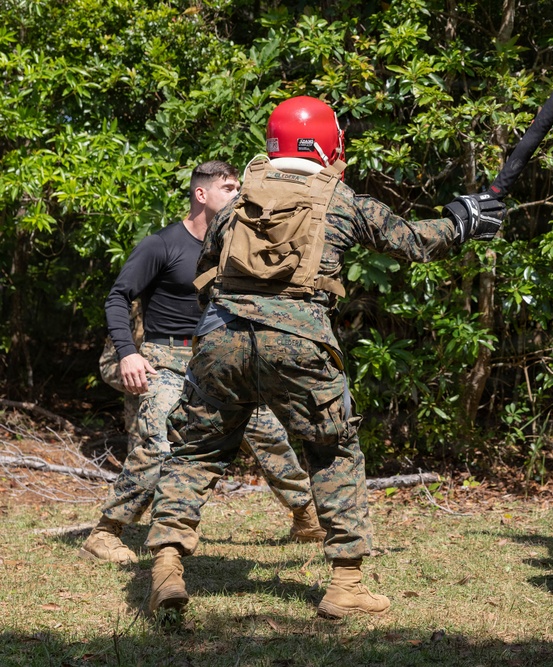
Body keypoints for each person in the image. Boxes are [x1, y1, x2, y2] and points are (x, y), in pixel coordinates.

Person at [142, 96, 506, 618]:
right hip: (298, 336)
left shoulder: (238, 198)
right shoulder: (339, 197)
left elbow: (206, 270)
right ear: (326, 143)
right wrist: (464, 219)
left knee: (195, 452)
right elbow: (411, 241)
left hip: (219, 335)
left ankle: (167, 566)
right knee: (332, 452)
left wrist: (223, 330)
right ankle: (346, 585)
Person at [80, 161, 325, 566]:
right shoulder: (161, 244)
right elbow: (118, 297)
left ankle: (305, 517)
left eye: (238, 187)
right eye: (228, 188)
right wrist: (128, 353)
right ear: (201, 194)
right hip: (165, 358)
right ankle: (106, 533)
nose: (237, 194)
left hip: (218, 357)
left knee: (268, 432)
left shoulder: (236, 243)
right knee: (158, 438)